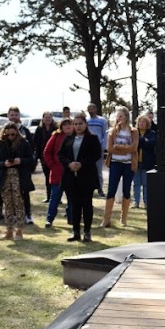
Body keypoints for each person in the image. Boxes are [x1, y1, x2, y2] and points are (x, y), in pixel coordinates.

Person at [58, 113, 102, 243]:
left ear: (86, 124)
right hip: (71, 177)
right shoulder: (68, 138)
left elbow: (96, 155)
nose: (78, 126)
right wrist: (69, 164)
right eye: (75, 124)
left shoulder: (92, 138)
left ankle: (87, 232)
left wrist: (81, 164)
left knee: (87, 204)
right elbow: (61, 154)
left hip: (87, 176)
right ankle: (75, 232)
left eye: (80, 124)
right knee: (75, 205)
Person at [0, 122, 33, 241]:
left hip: (19, 176)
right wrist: (3, 163)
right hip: (4, 177)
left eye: (13, 134)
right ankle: (9, 230)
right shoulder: (0, 143)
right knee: (7, 204)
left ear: (17, 133)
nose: (10, 137)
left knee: (19, 203)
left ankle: (19, 230)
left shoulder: (24, 143)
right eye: (7, 134)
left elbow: (31, 159)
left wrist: (20, 160)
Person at [102, 106, 138, 228]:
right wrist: (124, 150)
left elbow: (134, 148)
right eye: (117, 116)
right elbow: (110, 148)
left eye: (121, 116)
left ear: (126, 117)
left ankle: (123, 219)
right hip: (115, 163)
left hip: (128, 164)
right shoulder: (112, 131)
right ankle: (106, 219)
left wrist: (118, 147)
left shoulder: (133, 131)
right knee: (111, 189)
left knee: (126, 190)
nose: (118, 118)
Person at [5, 106, 34, 224]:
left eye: (16, 115)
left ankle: (27, 214)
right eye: (11, 115)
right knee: (9, 194)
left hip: (22, 168)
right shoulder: (3, 132)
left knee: (24, 192)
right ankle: (12, 215)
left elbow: (31, 152)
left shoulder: (25, 131)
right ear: (8, 115)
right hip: (7, 169)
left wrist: (22, 160)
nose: (13, 117)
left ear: (19, 116)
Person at [43, 117, 73, 227]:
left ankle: (71, 218)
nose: (67, 126)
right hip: (58, 172)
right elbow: (47, 152)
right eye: (65, 124)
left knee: (72, 198)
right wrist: (52, 165)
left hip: (72, 173)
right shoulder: (56, 136)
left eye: (69, 124)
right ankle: (49, 219)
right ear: (61, 126)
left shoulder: (77, 136)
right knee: (55, 197)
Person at [33, 111, 58, 204]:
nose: (47, 119)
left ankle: (56, 197)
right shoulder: (39, 129)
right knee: (47, 177)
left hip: (55, 156)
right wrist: (37, 157)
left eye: (49, 117)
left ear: (52, 118)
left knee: (56, 177)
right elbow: (36, 143)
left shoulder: (56, 129)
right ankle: (49, 197)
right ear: (43, 119)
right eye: (46, 117)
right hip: (44, 157)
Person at [133, 114, 156, 209]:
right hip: (136, 161)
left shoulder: (152, 133)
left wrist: (141, 142)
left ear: (147, 124)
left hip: (147, 162)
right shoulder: (134, 133)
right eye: (140, 122)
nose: (141, 123)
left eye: (144, 122)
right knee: (136, 183)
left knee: (146, 184)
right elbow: (134, 144)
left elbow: (152, 144)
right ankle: (136, 202)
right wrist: (144, 140)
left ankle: (146, 202)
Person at [85, 103, 108, 197]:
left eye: (92, 108)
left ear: (95, 109)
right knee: (87, 169)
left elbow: (105, 134)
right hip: (87, 148)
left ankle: (100, 188)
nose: (90, 110)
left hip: (98, 148)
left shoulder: (102, 121)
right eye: (88, 109)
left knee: (98, 169)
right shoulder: (86, 121)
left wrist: (103, 146)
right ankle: (88, 187)